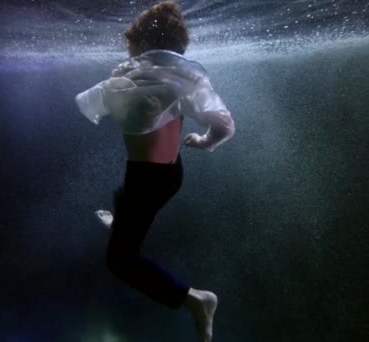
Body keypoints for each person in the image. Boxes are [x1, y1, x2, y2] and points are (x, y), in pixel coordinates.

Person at [74, 1, 235, 341]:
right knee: (125, 195)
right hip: (158, 174)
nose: (129, 53)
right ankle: (122, 223)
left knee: (120, 261)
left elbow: (221, 123)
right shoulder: (169, 76)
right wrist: (205, 140)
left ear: (141, 43)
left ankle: (196, 300)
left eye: (131, 46)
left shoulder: (164, 77)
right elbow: (220, 122)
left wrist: (207, 141)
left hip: (153, 180)